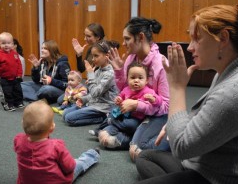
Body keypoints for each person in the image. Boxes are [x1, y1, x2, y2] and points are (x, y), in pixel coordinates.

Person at [128, 5, 238, 184]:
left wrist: (177, 87)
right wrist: (177, 122)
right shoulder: (231, 71)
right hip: (204, 163)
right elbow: (207, 112)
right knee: (146, 157)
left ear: (223, 39)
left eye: (196, 39)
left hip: (219, 179)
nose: (190, 47)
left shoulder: (237, 90)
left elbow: (182, 147)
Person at [92, 17, 170, 160]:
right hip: (134, 115)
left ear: (140, 37)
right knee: (105, 137)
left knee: (138, 151)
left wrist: (137, 105)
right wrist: (118, 71)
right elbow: (124, 90)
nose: (123, 43)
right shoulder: (131, 59)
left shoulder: (161, 64)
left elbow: (166, 106)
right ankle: (134, 135)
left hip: (156, 114)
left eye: (127, 39)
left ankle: (167, 137)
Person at [14, 100, 100, 184]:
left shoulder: (18, 140)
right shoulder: (55, 146)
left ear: (22, 124)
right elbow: (70, 167)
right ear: (52, 128)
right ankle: (92, 154)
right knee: (78, 163)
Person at [98, 62, 162, 149]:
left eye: (140, 78)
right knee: (110, 124)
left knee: (130, 124)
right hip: (123, 116)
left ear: (146, 80)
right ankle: (102, 131)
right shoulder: (126, 89)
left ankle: (111, 122)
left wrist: (153, 99)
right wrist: (118, 100)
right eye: (132, 77)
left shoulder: (148, 91)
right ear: (127, 79)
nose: (136, 80)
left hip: (135, 119)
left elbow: (159, 101)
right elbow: (121, 96)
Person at [62, 40, 118, 126]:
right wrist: (83, 99)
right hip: (93, 103)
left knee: (69, 119)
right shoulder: (99, 70)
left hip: (103, 108)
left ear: (106, 56)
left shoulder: (110, 74)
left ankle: (102, 118)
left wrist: (91, 74)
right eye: (92, 56)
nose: (93, 59)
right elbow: (92, 93)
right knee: (65, 113)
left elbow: (95, 93)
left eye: (96, 56)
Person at [21, 40, 70, 104]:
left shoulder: (62, 64)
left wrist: (51, 81)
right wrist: (36, 68)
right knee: (22, 85)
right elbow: (36, 81)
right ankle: (41, 99)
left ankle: (36, 97)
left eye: (45, 49)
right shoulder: (43, 62)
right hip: (43, 86)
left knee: (46, 89)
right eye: (42, 48)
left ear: (52, 50)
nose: (42, 50)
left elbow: (67, 84)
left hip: (59, 90)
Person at [0, 32, 24, 111]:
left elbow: (19, 64)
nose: (6, 45)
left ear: (12, 44)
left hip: (15, 77)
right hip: (4, 78)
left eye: (8, 43)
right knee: (7, 92)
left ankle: (18, 102)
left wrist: (19, 74)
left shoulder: (15, 54)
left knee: (17, 90)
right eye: (3, 43)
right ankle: (8, 104)